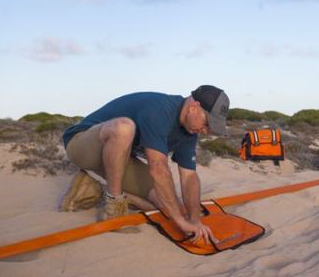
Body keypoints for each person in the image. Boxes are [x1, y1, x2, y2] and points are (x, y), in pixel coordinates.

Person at [62, 85, 230, 244]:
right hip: (81, 145)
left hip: (117, 159)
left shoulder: (190, 131)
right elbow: (158, 168)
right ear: (194, 106)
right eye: (207, 123)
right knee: (124, 128)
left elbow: (189, 177)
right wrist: (180, 222)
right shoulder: (159, 110)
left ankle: (98, 189)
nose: (206, 131)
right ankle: (113, 206)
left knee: (171, 207)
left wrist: (193, 219)